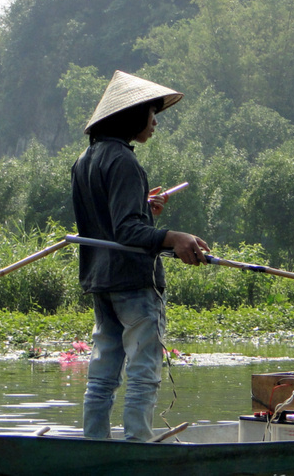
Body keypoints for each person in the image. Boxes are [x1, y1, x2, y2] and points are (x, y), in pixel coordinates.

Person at [71, 70, 210, 441]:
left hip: (100, 281)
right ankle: (137, 447)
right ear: (130, 117)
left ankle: (95, 445)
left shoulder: (85, 161)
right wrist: (174, 237)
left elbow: (108, 221)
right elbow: (127, 231)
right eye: (151, 115)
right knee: (143, 373)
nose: (154, 123)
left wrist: (145, 209)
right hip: (133, 282)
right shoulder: (125, 162)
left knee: (102, 374)